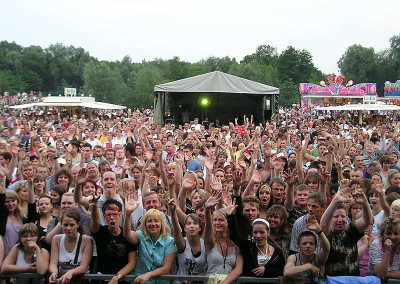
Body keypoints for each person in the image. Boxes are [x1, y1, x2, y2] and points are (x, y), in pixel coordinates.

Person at [320, 180, 373, 276]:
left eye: (343, 216)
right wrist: (335, 201)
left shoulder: (351, 230)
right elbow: (323, 225)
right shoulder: (328, 233)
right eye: (336, 217)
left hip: (353, 279)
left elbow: (367, 220)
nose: (340, 220)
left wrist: (365, 203)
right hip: (333, 280)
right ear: (331, 219)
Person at [123, 195, 176, 284]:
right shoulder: (140, 235)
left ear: (162, 223)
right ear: (145, 223)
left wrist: (148, 275)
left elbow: (166, 268)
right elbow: (127, 234)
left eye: (156, 221)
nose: (153, 224)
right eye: (149, 221)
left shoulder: (169, 241)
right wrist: (128, 214)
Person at [226, 202, 285, 278]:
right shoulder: (248, 247)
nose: (258, 235)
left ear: (268, 233)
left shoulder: (278, 252)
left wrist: (266, 270)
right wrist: (231, 216)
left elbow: (282, 271)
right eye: (255, 232)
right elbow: (235, 237)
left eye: (261, 232)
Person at [90, 198, 137, 282]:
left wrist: (116, 277)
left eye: (114, 214)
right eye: (108, 215)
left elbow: (132, 263)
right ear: (104, 216)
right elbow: (94, 221)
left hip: (122, 279)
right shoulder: (100, 232)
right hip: (103, 279)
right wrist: (94, 206)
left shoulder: (127, 235)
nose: (112, 217)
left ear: (120, 215)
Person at [204, 191, 243, 284]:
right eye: (215, 220)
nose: (217, 223)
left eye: (221, 220)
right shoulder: (211, 241)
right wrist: (207, 209)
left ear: (228, 222)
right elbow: (208, 226)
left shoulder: (236, 243)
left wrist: (224, 283)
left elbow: (239, 268)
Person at [49, 208, 93, 284]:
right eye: (65, 225)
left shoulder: (86, 240)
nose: (68, 228)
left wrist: (71, 272)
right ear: (61, 224)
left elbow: (84, 267)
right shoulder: (56, 239)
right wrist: (54, 273)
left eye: (72, 225)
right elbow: (53, 263)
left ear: (78, 224)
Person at [168, 198, 207, 279]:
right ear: (185, 228)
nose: (192, 226)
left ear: (200, 228)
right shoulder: (182, 243)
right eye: (188, 224)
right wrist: (172, 211)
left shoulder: (205, 243)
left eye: (195, 223)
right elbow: (176, 229)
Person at [283, 216, 330, 281]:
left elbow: (326, 248)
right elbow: (286, 272)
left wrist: (319, 231)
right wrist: (308, 266)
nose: (308, 246)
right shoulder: (293, 258)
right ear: (298, 246)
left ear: (315, 247)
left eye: (311, 244)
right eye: (304, 243)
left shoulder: (318, 259)